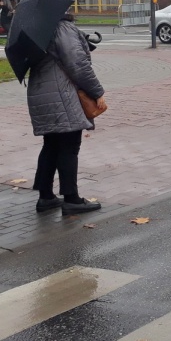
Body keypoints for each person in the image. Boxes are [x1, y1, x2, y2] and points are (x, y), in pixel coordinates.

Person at [27, 11, 106, 215]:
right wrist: (96, 92)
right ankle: (72, 199)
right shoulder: (62, 27)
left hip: (41, 92)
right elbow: (77, 64)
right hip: (62, 94)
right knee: (69, 145)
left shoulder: (39, 26)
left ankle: (45, 196)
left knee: (51, 144)